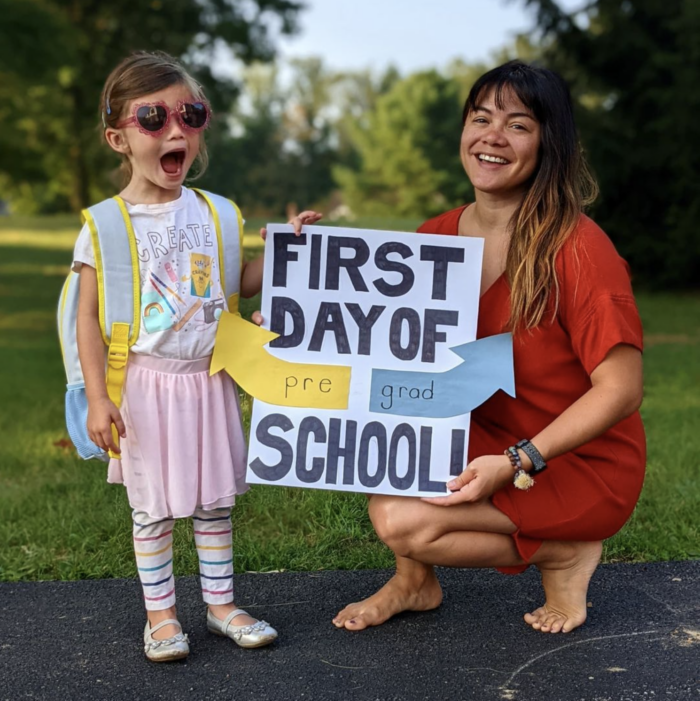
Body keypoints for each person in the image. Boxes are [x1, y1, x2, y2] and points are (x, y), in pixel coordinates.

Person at [331, 60, 646, 635]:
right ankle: (414, 582)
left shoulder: (578, 248)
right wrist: (302, 309)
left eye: (518, 124)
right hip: (480, 440)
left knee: (400, 518)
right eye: (481, 118)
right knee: (392, 440)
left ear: (550, 143)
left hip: (573, 459)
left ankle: (565, 551)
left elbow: (622, 390)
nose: (492, 136)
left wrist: (515, 461)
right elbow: (389, 355)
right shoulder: (432, 236)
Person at [74, 51, 292, 662]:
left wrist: (289, 249)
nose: (176, 130)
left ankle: (221, 606)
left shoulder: (218, 213)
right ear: (118, 137)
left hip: (209, 380)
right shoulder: (104, 226)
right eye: (153, 117)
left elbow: (237, 281)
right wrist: (98, 397)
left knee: (214, 500)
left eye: (190, 114)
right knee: (154, 509)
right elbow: (87, 323)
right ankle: (162, 617)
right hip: (145, 388)